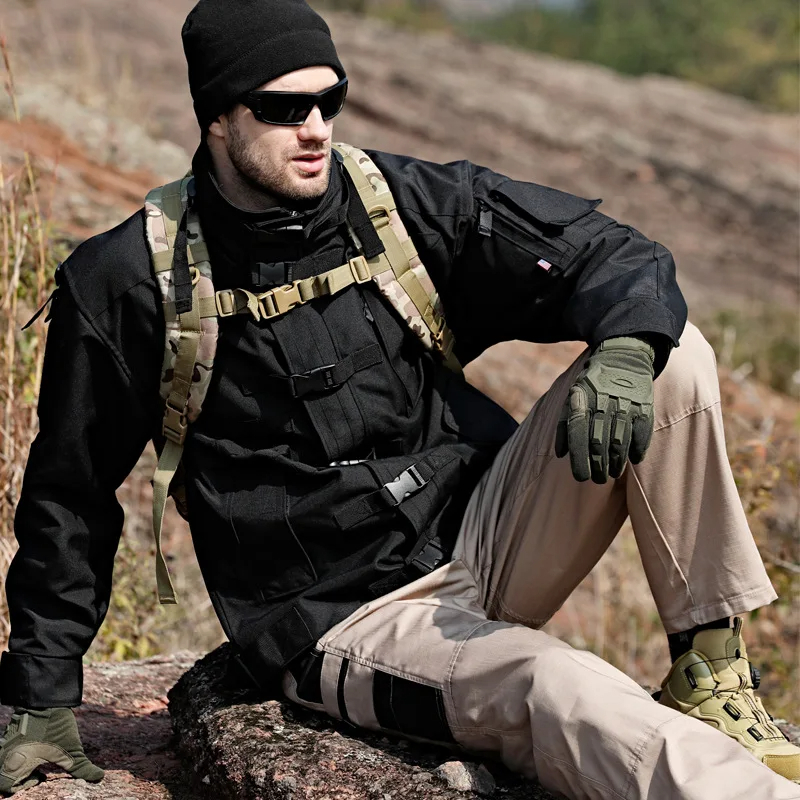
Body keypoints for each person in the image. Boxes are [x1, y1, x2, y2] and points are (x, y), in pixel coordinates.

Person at [0, 0, 797, 796]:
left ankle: (709, 672)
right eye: (284, 109)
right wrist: (41, 696)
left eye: (330, 101)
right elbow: (71, 494)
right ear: (217, 117)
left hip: (482, 542)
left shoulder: (397, 206)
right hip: (341, 620)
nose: (316, 129)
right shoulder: (129, 282)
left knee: (667, 354)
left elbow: (609, 251)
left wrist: (623, 350)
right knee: (558, 684)